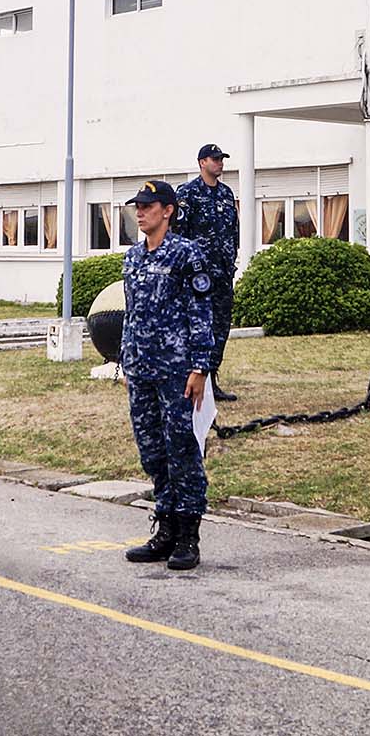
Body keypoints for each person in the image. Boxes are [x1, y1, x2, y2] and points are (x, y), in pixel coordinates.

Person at [117, 180, 214, 572]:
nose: (140, 212)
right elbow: (131, 313)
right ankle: (165, 526)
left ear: (168, 210)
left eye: (148, 206)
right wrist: (125, 361)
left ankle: (188, 533)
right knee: (152, 451)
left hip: (177, 371)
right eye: (137, 207)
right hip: (141, 369)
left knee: (182, 450)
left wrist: (200, 367)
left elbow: (200, 314)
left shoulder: (186, 255)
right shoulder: (133, 258)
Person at [172, 142, 240, 402]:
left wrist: (232, 259)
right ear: (202, 162)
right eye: (214, 159)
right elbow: (179, 232)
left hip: (223, 273)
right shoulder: (188, 193)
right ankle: (192, 379)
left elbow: (233, 229)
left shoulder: (225, 193)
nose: (219, 163)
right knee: (197, 326)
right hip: (199, 276)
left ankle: (212, 380)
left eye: (221, 158)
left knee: (220, 327)